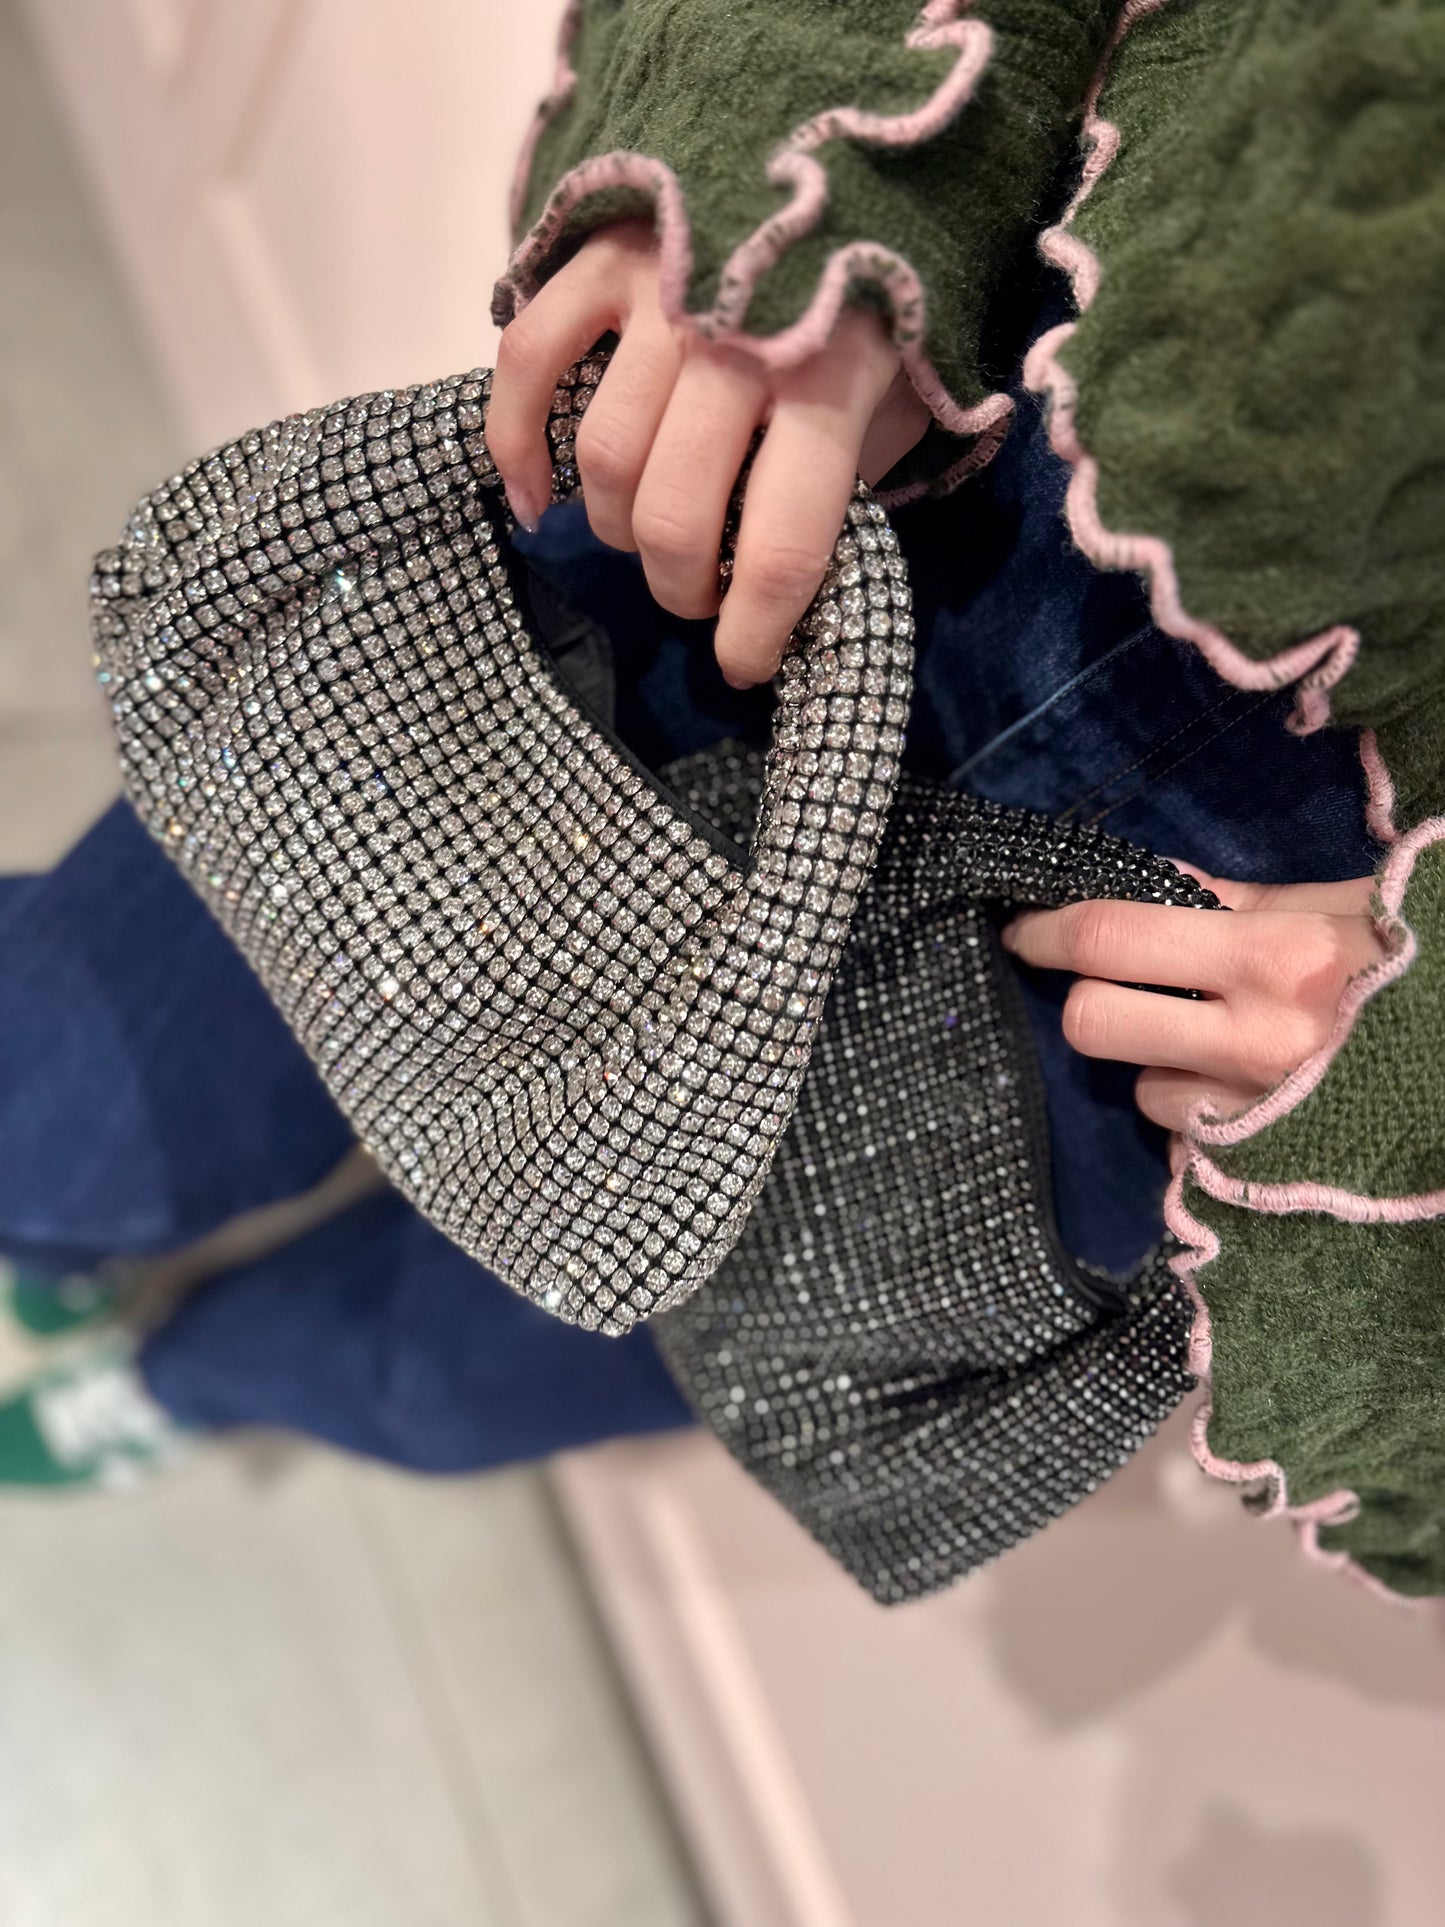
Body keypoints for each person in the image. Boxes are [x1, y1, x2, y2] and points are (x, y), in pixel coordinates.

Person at [2, 0, 1440, 1595]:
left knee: (480, 1347)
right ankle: (61, 1230)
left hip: (1170, 1051)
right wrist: (797, 173)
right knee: (75, 1075)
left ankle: (190, 1375)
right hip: (796, 503)